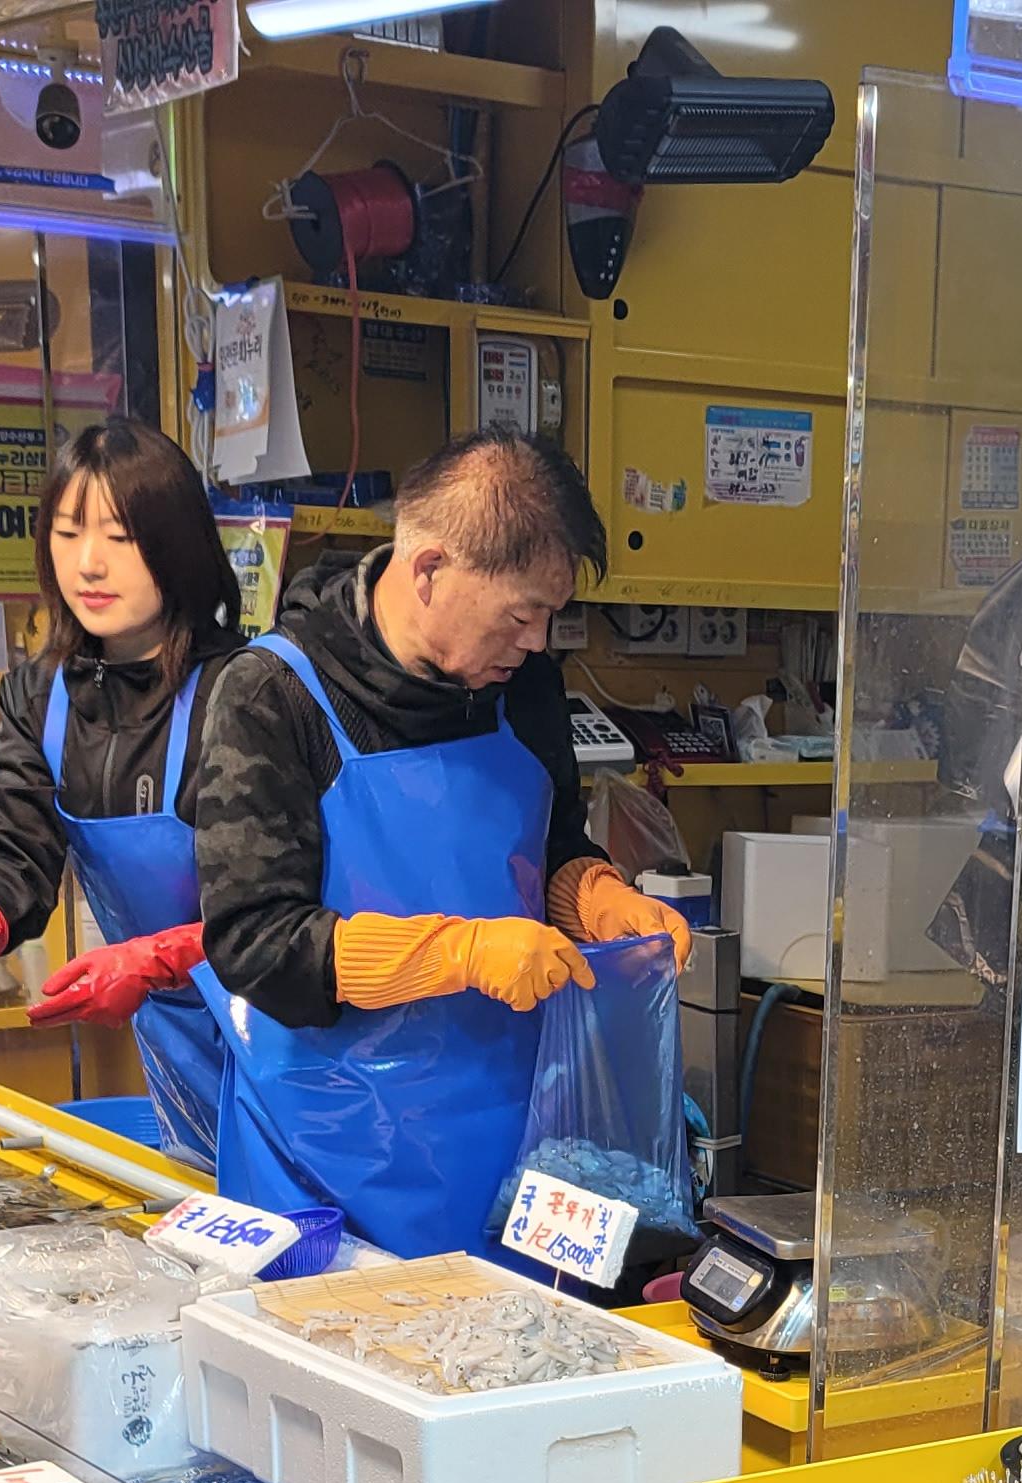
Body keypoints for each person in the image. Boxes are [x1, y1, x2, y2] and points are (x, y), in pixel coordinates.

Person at [190, 427, 690, 1252]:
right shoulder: (272, 695)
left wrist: (598, 900)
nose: (536, 643)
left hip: (512, 1148)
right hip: (322, 1163)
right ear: (428, 569)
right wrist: (459, 954)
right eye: (522, 616)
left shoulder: (526, 687)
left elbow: (552, 845)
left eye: (550, 617)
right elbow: (255, 941)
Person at [0, 421, 243, 1159]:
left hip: (279, 1025)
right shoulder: (41, 695)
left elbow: (284, 897)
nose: (88, 563)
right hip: (171, 1035)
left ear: (178, 543)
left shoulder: (245, 691)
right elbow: (16, 846)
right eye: (66, 533)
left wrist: (158, 958)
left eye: (120, 536)